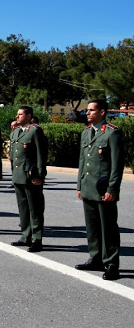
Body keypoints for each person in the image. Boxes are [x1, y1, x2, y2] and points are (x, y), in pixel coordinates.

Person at [75, 99, 124, 281]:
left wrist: (112, 188)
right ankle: (95, 258)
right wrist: (80, 185)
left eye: (91, 110)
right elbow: (82, 161)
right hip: (88, 187)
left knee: (108, 228)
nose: (87, 113)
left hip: (104, 190)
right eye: (87, 110)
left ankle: (111, 264)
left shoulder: (112, 133)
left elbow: (116, 165)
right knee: (92, 228)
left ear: (102, 112)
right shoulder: (86, 133)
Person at [9, 106, 47, 253]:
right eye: (17, 114)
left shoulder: (35, 130)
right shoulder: (16, 132)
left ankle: (37, 239)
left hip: (31, 176)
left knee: (35, 209)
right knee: (23, 208)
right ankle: (25, 235)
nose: (17, 116)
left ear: (29, 116)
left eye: (20, 114)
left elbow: (41, 155)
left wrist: (39, 175)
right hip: (18, 176)